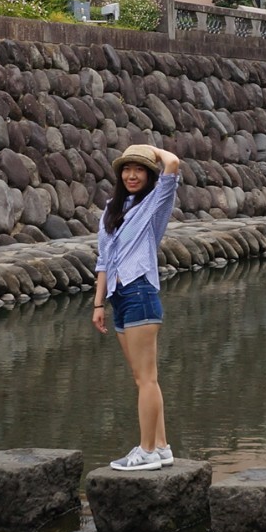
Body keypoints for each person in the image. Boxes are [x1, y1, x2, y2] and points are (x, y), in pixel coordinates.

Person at [93, 143, 182, 471]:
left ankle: (146, 451)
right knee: (141, 378)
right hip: (118, 297)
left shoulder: (154, 205)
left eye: (139, 169)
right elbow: (103, 259)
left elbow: (173, 162)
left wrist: (150, 150)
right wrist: (98, 303)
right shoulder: (110, 210)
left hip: (141, 291)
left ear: (149, 174)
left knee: (147, 378)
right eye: (127, 169)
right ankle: (160, 447)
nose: (132, 175)